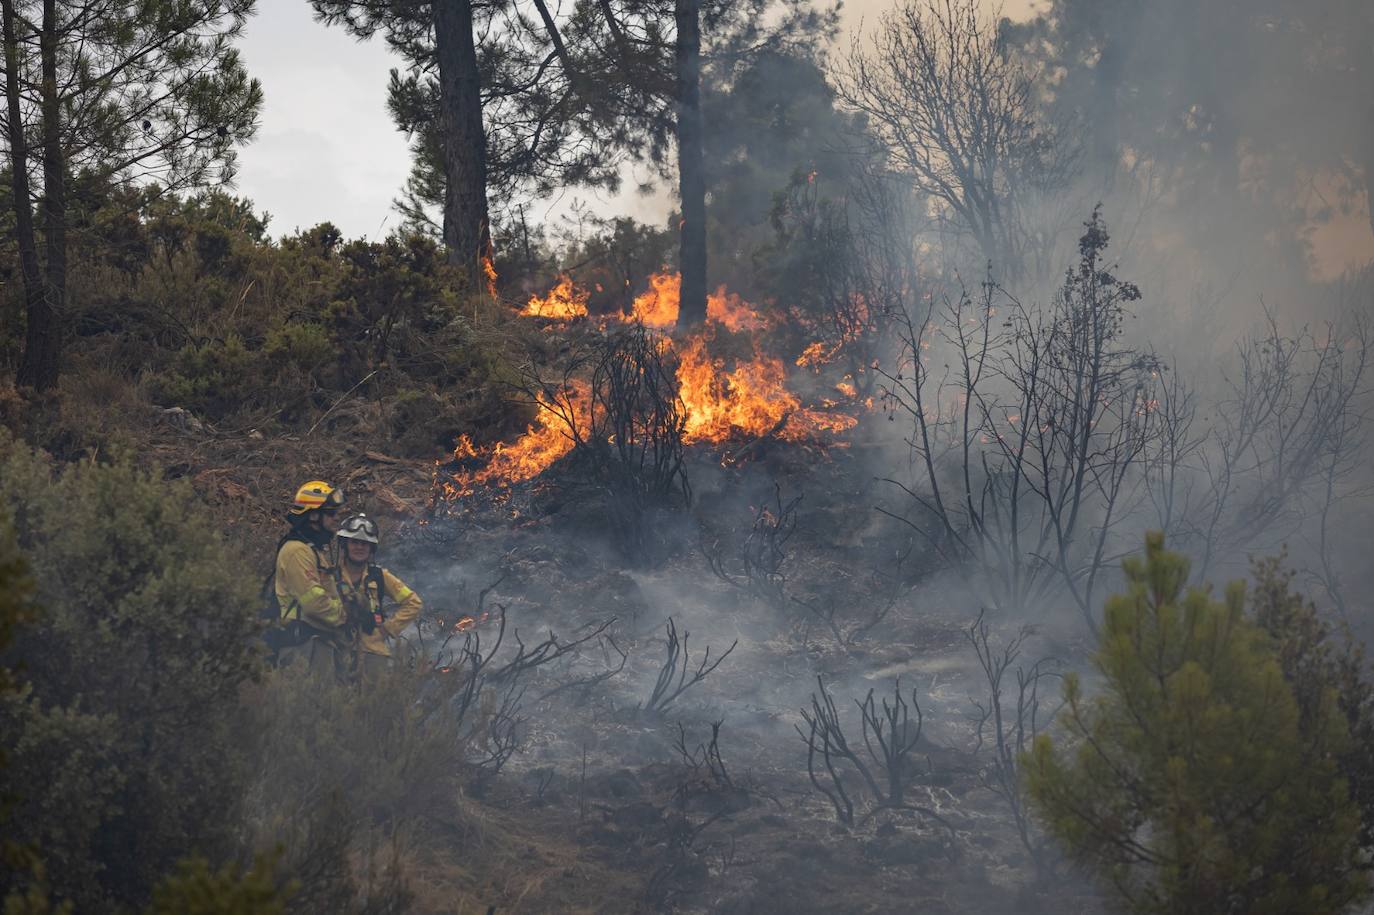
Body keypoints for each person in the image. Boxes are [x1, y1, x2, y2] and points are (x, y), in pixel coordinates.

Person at [270, 480, 349, 676]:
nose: (336, 519)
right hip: (302, 647)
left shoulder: (311, 551)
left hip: (317, 643)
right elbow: (314, 603)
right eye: (331, 513)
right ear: (313, 515)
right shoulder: (297, 551)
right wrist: (345, 617)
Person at [334, 513, 422, 680]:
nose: (359, 547)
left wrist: (388, 628)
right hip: (337, 650)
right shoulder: (331, 575)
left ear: (371, 548)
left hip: (373, 653)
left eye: (365, 544)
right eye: (354, 542)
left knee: (370, 702)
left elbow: (413, 603)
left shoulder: (380, 576)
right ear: (345, 544)